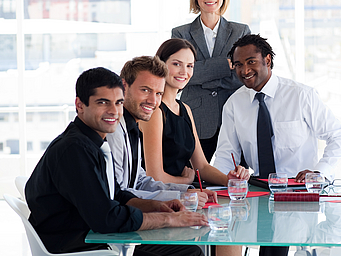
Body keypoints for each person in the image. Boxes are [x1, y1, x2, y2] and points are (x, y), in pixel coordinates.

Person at [25, 67, 207, 256]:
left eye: (119, 103)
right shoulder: (74, 149)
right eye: (103, 103)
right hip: (80, 248)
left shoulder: (93, 142)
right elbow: (107, 218)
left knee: (186, 249)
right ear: (79, 105)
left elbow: (115, 195)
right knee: (188, 252)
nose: (114, 111)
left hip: (95, 239)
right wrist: (168, 220)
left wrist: (157, 206)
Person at [213, 34, 341, 256]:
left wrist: (319, 172)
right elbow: (224, 154)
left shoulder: (301, 95)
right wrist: (220, 185)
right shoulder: (234, 104)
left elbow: (339, 137)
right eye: (238, 64)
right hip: (260, 194)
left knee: (294, 240)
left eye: (251, 62)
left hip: (302, 196)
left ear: (267, 60)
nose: (244, 70)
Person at [107, 55, 217, 207]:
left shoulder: (132, 127)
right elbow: (119, 194)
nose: (153, 101)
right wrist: (179, 197)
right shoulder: (113, 130)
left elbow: (139, 181)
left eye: (158, 93)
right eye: (145, 90)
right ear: (124, 86)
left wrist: (185, 193)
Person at [137, 39, 250, 187]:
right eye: (176, 64)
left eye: (190, 66)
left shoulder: (185, 109)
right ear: (161, 64)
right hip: (159, 196)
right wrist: (187, 181)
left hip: (182, 193)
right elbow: (154, 177)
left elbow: (202, 167)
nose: (184, 72)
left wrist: (230, 180)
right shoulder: (155, 112)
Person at [171, 0, 251, 163]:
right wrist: (223, 65)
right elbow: (181, 74)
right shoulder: (181, 33)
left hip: (234, 116)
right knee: (194, 178)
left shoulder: (241, 31)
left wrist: (200, 75)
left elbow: (244, 76)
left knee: (236, 179)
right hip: (197, 118)